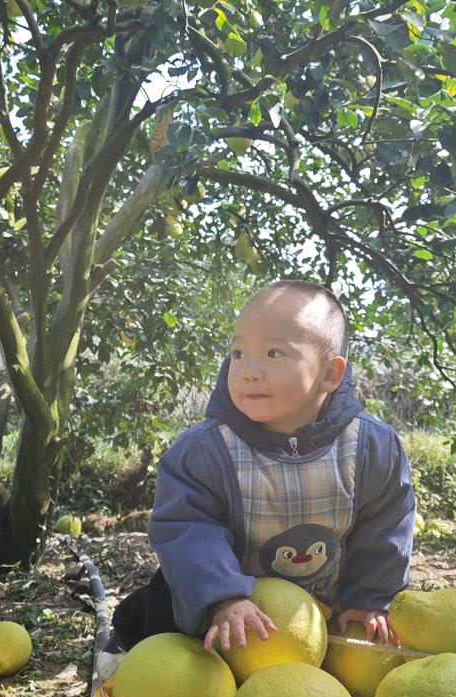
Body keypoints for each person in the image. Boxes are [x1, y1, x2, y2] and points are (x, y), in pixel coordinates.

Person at [105, 278, 415, 669]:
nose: (249, 370)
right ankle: (126, 642)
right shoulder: (207, 451)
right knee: (167, 610)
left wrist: (370, 600)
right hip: (217, 588)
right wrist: (223, 597)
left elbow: (385, 530)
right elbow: (187, 528)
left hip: (313, 603)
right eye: (238, 353)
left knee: (317, 656)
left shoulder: (371, 448)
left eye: (273, 353)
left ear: (330, 375)